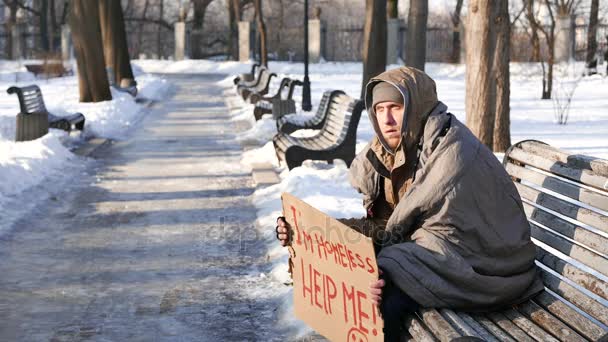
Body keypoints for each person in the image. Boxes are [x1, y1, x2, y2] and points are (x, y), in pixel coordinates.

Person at [276, 66, 543, 341]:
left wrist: (384, 267)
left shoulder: (451, 151)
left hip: (491, 267)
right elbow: (385, 226)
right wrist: (307, 231)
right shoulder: (397, 150)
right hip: (444, 253)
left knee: (383, 292)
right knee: (370, 277)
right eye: (379, 110)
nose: (387, 120)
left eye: (396, 107)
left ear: (416, 108)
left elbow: (441, 235)